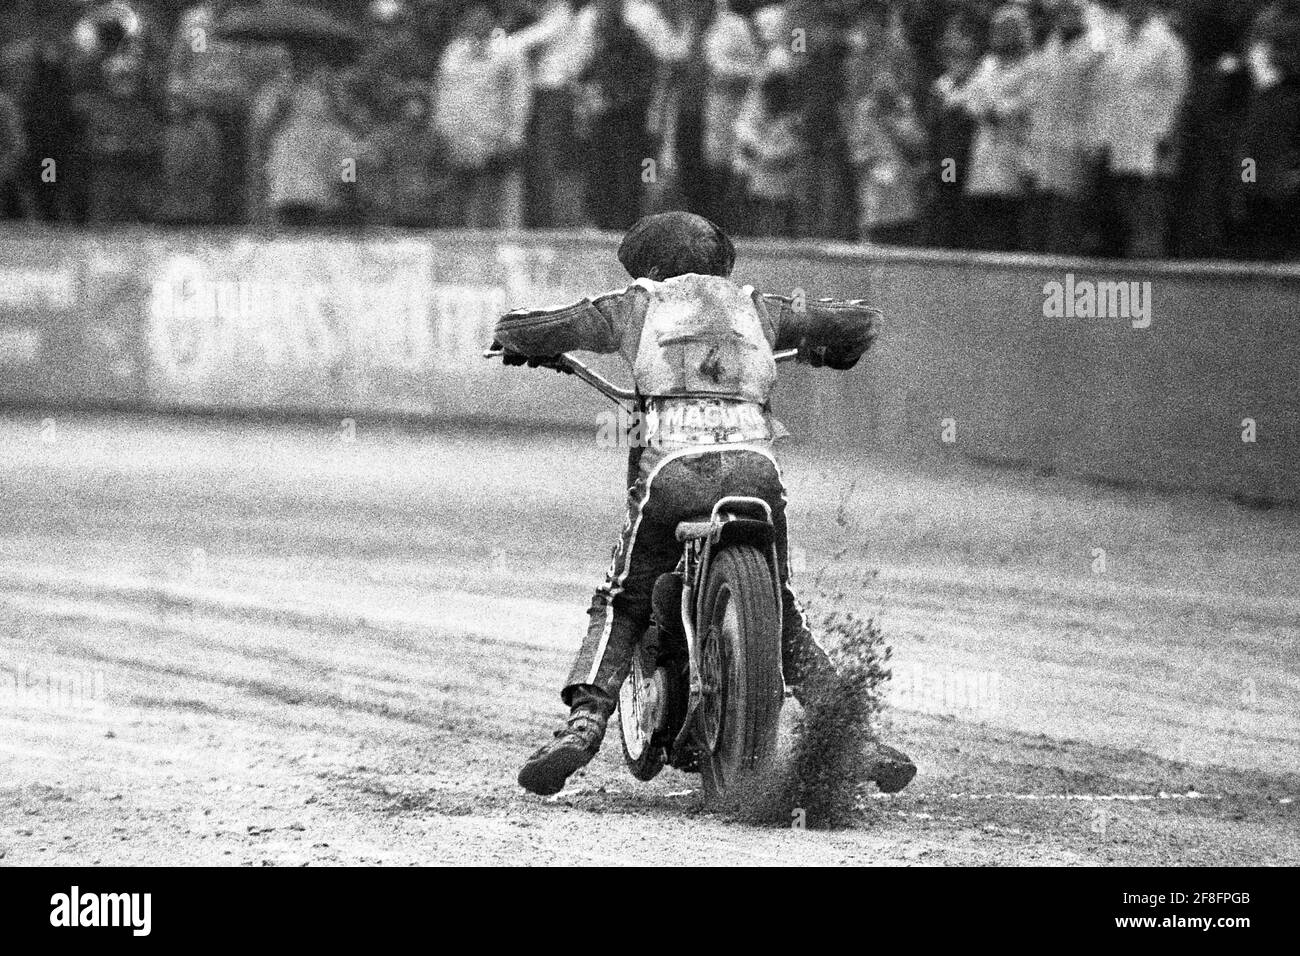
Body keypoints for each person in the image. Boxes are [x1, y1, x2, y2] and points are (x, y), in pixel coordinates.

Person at [492, 211, 917, 798]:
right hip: (757, 473)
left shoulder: (636, 304)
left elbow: (531, 327)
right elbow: (860, 323)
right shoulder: (757, 307)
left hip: (674, 474)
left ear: (653, 268)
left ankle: (584, 725)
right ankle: (853, 737)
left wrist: (517, 343)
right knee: (783, 604)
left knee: (624, 596)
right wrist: (826, 349)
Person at [431, 2, 531, 228]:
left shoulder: (510, 50)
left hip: (493, 145)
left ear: (492, 17)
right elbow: (443, 93)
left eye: (481, 14)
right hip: (456, 144)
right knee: (456, 215)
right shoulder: (453, 52)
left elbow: (519, 97)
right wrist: (441, 130)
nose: (476, 19)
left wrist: (514, 137)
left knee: (493, 216)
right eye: (471, 14)